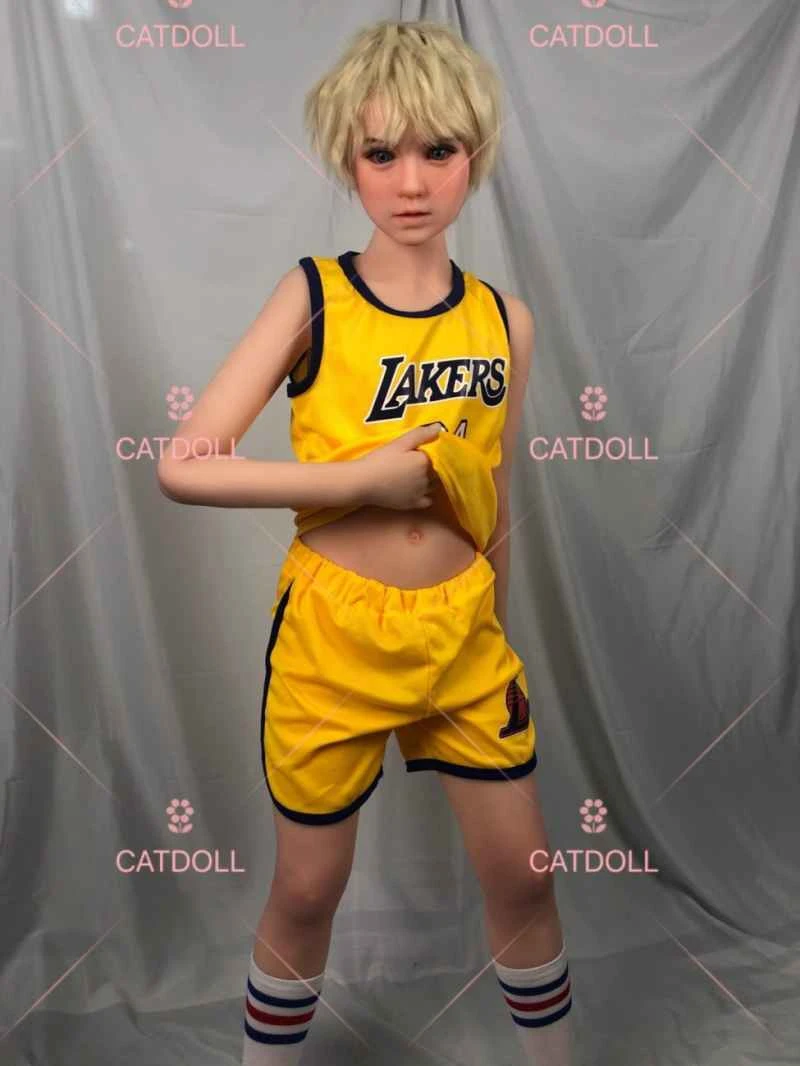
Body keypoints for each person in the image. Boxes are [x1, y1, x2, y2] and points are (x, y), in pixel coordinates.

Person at [157, 18, 576, 1066]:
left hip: (462, 632)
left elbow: (494, 492)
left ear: (475, 153)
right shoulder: (315, 294)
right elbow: (185, 463)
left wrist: (494, 618)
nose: (411, 180)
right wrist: (359, 481)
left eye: (439, 149)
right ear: (348, 158)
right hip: (333, 637)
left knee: (525, 875)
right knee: (308, 889)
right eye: (381, 152)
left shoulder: (506, 320)